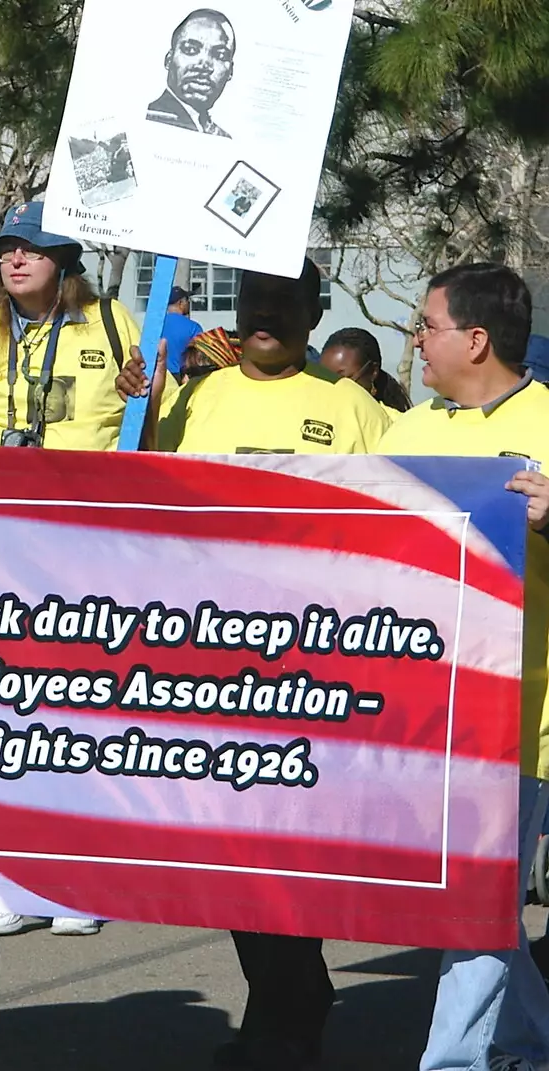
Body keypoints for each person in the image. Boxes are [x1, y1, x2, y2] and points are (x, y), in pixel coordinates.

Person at [118, 259, 389, 1071]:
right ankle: (290, 1001)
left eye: (281, 302)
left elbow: (404, 517)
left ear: (313, 310)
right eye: (253, 301)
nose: (264, 315)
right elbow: (137, 489)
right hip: (210, 662)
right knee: (232, 855)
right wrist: (143, 404)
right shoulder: (199, 393)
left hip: (314, 669)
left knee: (287, 853)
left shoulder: (350, 406)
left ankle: (283, 1021)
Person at [376, 263, 549, 1071]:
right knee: (472, 902)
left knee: (474, 904)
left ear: (475, 339)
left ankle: (453, 1062)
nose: (414, 339)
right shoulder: (407, 431)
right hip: (416, 718)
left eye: (426, 324)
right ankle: (528, 1039)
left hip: (519, 721)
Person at [0, 200, 141, 453]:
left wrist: (143, 391)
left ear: (61, 258)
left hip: (92, 488)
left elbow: (161, 408)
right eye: (7, 251)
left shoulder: (110, 319)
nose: (16, 261)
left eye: (31, 249)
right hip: (2, 487)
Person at [146, 9, 236, 137]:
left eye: (220, 55)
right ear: (168, 60)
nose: (204, 65)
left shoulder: (223, 138)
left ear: (230, 71)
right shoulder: (147, 119)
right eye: (191, 50)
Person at [318, 327, 411, 416]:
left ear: (373, 371)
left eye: (343, 380)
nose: (331, 388)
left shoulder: (393, 424)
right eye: (323, 380)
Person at [162, 284, 205, 377]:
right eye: (187, 300)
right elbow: (199, 358)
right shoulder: (193, 327)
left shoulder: (157, 326)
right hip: (183, 378)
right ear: (180, 302)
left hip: (160, 377)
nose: (189, 303)